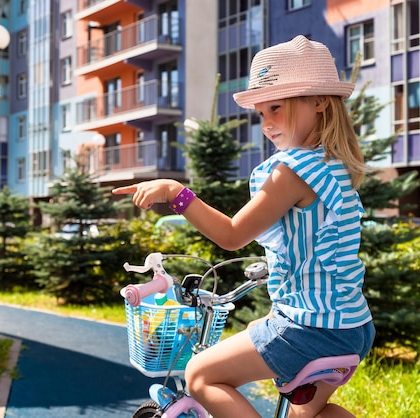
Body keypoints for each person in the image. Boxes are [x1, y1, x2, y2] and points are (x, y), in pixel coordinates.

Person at [112, 35, 375, 418]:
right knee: (310, 415)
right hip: (351, 325)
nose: (267, 123)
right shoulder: (334, 166)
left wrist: (176, 192)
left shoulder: (292, 171)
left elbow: (232, 235)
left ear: (319, 102)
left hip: (310, 327)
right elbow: (316, 241)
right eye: (261, 112)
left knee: (200, 374)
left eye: (276, 108)